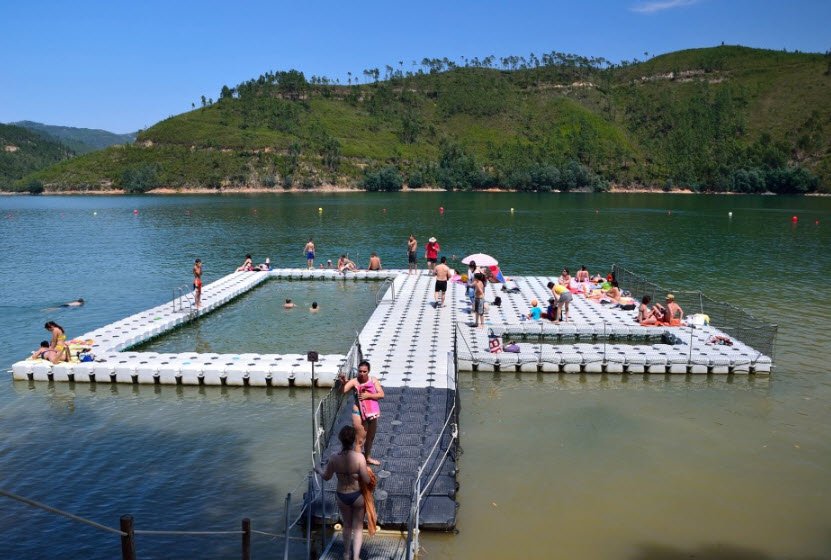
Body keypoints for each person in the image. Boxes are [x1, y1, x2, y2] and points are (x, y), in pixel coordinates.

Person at [315, 425, 372, 560]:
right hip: (357, 495)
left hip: (342, 495)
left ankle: (346, 554)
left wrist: (318, 469)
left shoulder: (334, 458)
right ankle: (356, 556)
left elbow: (327, 477)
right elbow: (367, 480)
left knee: (347, 525)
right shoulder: (359, 458)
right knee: (358, 527)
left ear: (341, 440)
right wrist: (359, 476)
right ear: (353, 440)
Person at [338, 361, 384, 466]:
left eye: (364, 371)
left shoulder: (373, 380)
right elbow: (343, 391)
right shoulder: (354, 381)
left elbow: (381, 394)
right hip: (358, 413)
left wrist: (368, 395)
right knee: (359, 441)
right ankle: (358, 464)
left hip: (371, 413)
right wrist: (343, 383)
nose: (362, 373)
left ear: (368, 371)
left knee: (370, 437)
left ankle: (367, 458)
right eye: (360, 371)